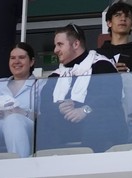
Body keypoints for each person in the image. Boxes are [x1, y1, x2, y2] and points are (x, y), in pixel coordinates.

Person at [36, 24, 125, 153]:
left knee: (98, 117)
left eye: (60, 45)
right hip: (66, 125)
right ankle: (51, 165)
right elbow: (44, 104)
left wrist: (85, 110)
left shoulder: (102, 65)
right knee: (43, 123)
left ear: (76, 44)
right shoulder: (56, 75)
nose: (55, 50)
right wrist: (59, 108)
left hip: (97, 123)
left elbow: (112, 97)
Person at [94, 0, 132, 73]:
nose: (123, 19)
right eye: (118, 15)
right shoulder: (97, 55)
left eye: (127, 16)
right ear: (109, 23)